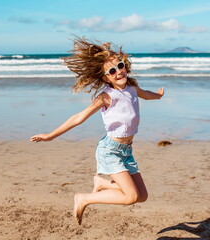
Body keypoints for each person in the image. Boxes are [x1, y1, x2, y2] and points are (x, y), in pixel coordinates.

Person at [30, 37, 164, 225]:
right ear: (105, 78)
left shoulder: (132, 88)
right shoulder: (107, 96)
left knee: (142, 196)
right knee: (131, 196)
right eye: (112, 71)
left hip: (126, 151)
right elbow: (79, 117)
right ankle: (83, 198)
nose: (118, 71)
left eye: (120, 65)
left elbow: (146, 94)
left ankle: (101, 183)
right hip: (110, 151)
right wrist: (50, 136)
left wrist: (158, 96)